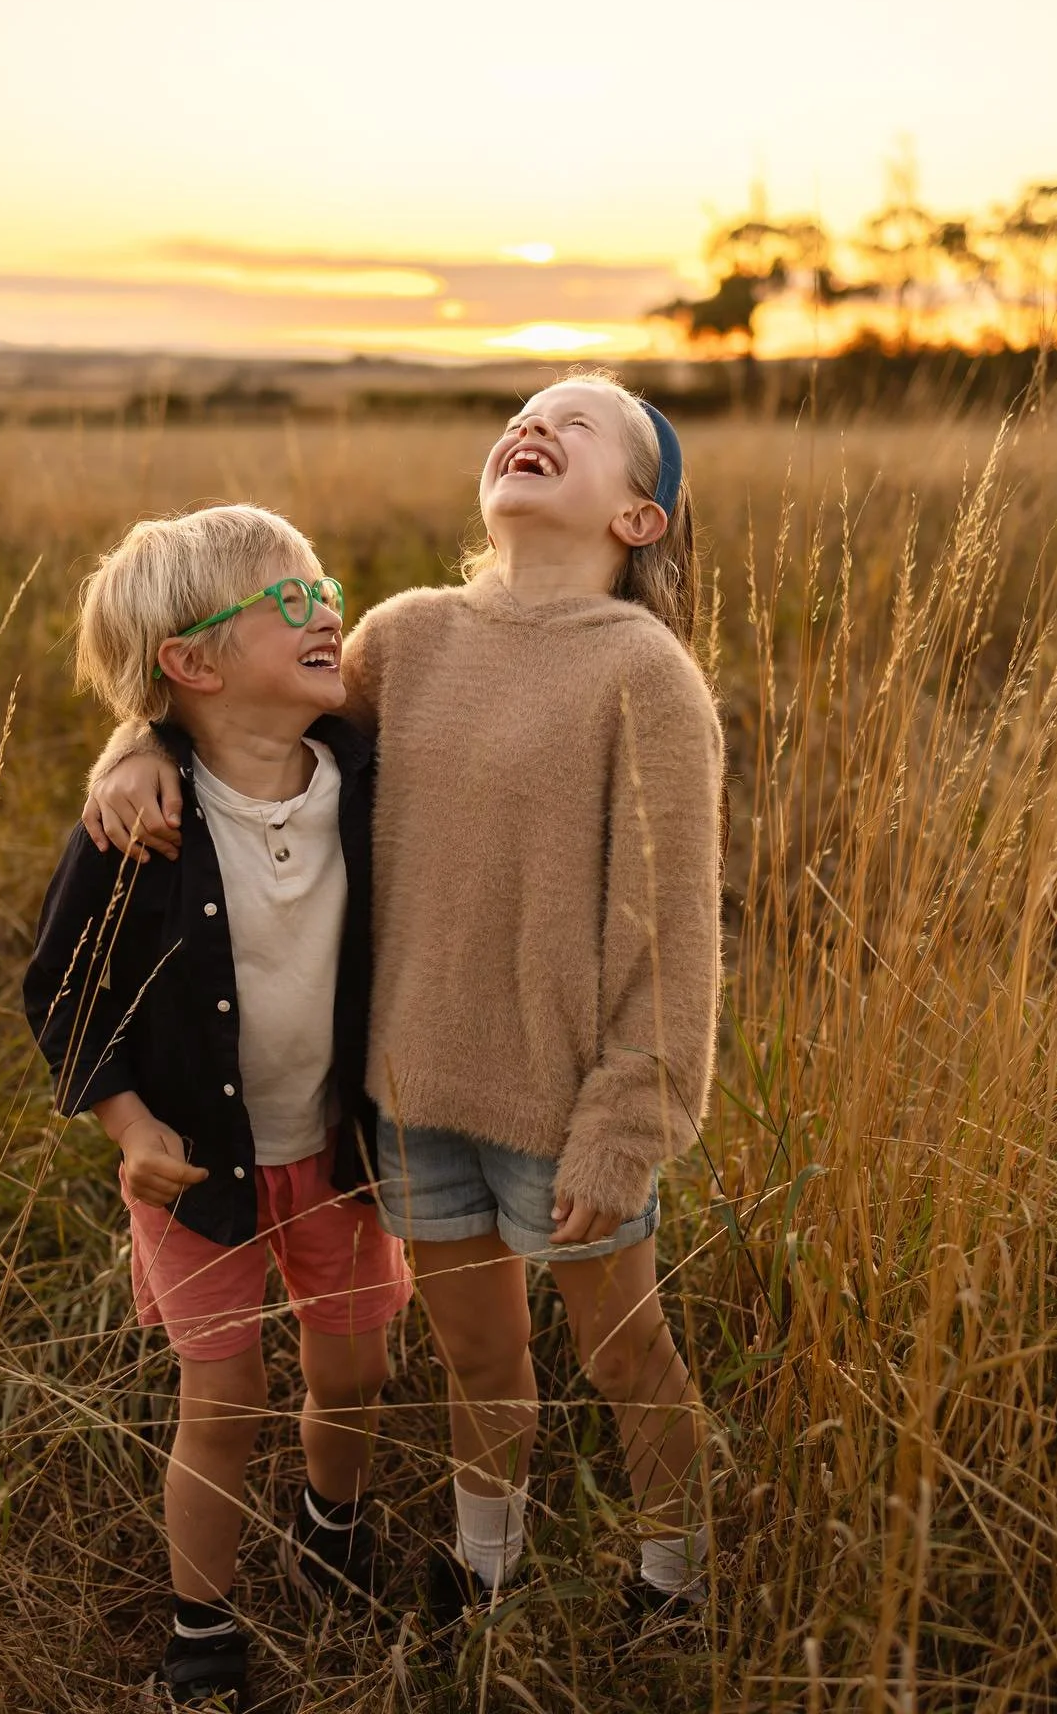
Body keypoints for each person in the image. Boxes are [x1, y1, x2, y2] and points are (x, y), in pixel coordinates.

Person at [84, 375, 724, 1632]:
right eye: (526, 412)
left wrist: (631, 1118)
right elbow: (250, 731)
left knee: (625, 1355)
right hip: (408, 1095)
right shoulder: (405, 639)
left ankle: (676, 1583)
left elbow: (673, 928)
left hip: (570, 1107)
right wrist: (138, 742)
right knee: (480, 1356)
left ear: (638, 519)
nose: (535, 426)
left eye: (580, 424)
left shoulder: (645, 675)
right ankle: (488, 1570)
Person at [25, 504, 412, 1711]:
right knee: (224, 1399)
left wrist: (134, 734)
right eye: (290, 599)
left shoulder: (365, 773)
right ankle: (202, 1623)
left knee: (355, 1369)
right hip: (199, 1169)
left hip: (340, 1153)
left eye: (325, 586)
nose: (328, 611)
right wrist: (130, 1128)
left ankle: (330, 1527)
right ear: (190, 664)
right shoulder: (138, 824)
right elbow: (64, 992)